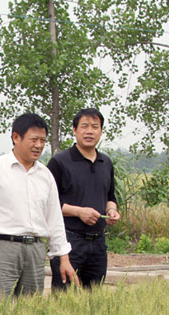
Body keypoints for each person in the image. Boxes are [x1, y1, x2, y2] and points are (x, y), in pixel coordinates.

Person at [0, 113, 78, 301]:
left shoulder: (45, 175)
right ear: (16, 137)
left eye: (42, 141)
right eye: (34, 140)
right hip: (2, 247)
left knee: (30, 307)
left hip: (36, 249)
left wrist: (63, 257)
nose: (38, 145)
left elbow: (54, 218)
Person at [48, 108, 120, 289]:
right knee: (64, 296)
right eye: (84, 126)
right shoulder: (59, 162)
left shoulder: (106, 163)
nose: (90, 131)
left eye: (95, 127)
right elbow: (47, 203)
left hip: (98, 242)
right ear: (74, 130)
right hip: (68, 240)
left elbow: (110, 196)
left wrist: (111, 210)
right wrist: (79, 212)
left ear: (101, 131)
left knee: (94, 296)